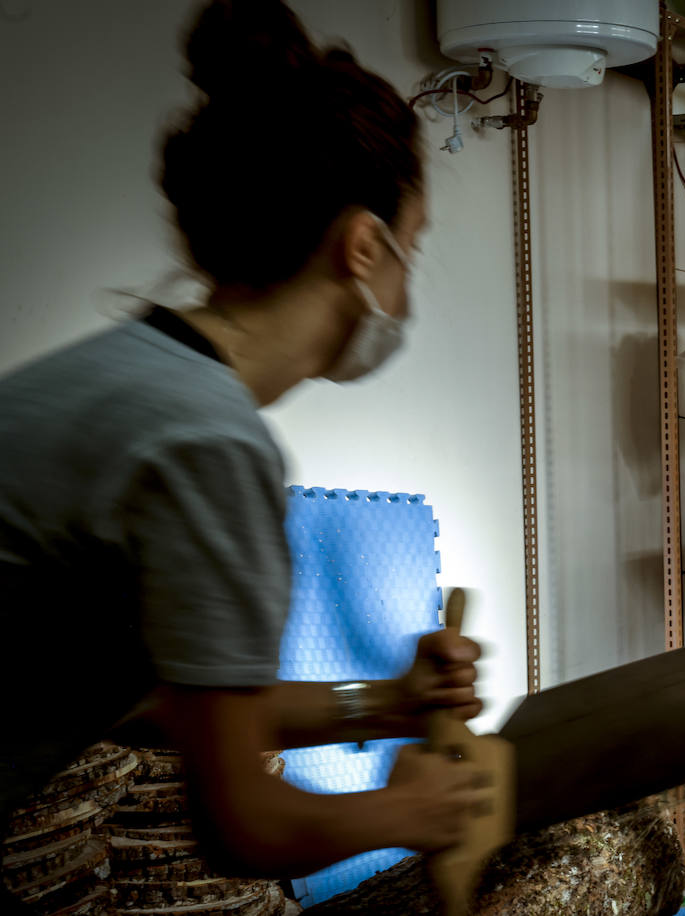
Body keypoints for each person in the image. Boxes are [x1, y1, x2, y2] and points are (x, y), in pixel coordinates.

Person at [0, 0, 484, 890]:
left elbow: (159, 705)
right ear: (364, 247)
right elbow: (247, 830)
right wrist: (427, 811)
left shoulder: (130, 374)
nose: (409, 284)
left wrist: (389, 703)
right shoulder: (209, 443)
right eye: (413, 247)